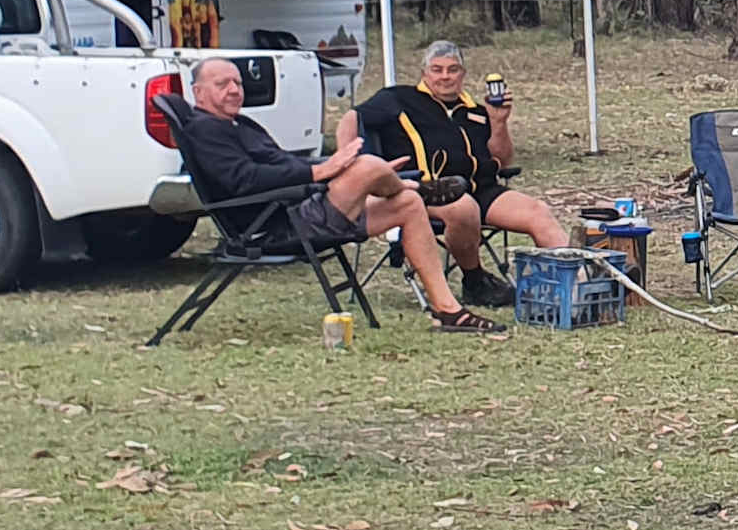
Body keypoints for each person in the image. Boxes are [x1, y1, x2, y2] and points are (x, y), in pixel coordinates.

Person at [170, 57, 502, 335]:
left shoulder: (239, 124)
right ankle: (409, 183)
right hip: (275, 226)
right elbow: (243, 181)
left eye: (238, 83)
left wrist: (328, 166)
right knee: (370, 166)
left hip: (299, 209)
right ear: (198, 92)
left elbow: (285, 164)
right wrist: (320, 172)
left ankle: (448, 310)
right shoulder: (205, 130)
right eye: (222, 84)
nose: (234, 90)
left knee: (406, 204)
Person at [354, 42, 572, 302]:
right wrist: (352, 163)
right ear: (424, 73)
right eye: (437, 70)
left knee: (538, 212)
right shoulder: (398, 99)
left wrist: (498, 122)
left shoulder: (475, 111)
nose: (445, 76)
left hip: (481, 187)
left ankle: (575, 286)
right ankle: (475, 281)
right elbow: (352, 118)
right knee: (463, 207)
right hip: (426, 191)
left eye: (452, 69)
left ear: (463, 74)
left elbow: (501, 160)